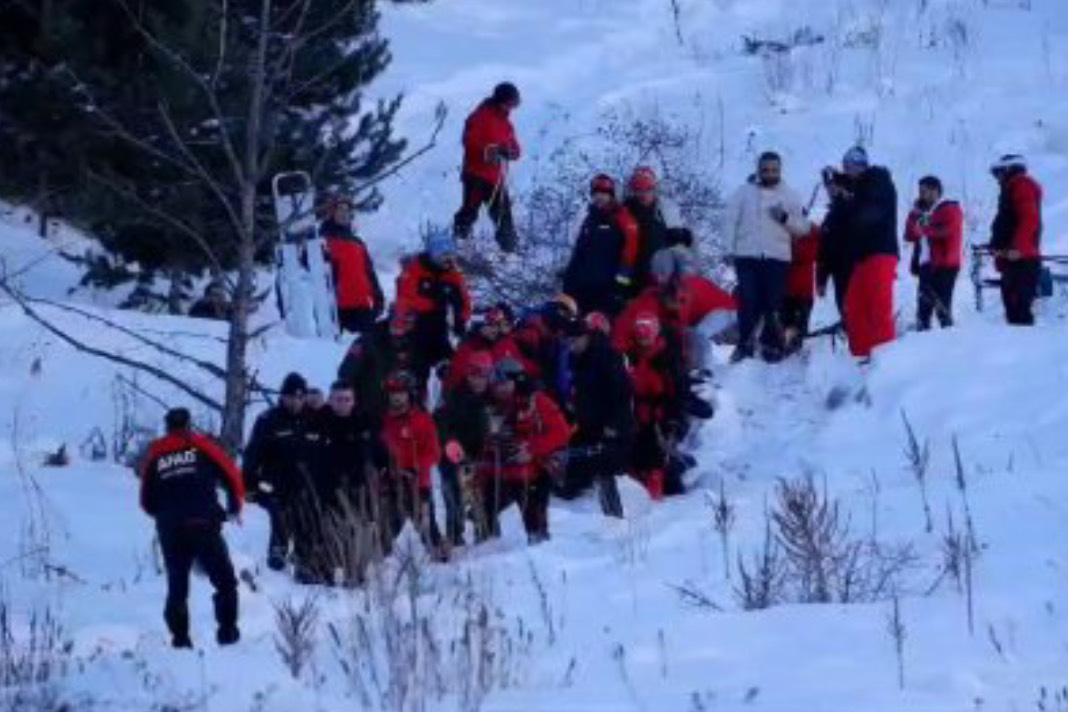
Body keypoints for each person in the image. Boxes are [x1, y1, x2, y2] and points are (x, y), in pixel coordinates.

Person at [140, 408, 243, 649]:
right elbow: (231, 474)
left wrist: (165, 516)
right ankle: (228, 634)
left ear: (166, 427)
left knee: (177, 586)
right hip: (203, 523)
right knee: (225, 581)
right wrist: (234, 507)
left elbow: (145, 499)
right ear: (189, 424)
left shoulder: (156, 453)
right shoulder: (200, 445)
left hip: (171, 528)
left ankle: (180, 639)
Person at [724, 151, 810, 362]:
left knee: (773, 303)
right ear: (758, 169)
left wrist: (784, 218)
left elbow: (803, 229)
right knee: (747, 301)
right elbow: (730, 221)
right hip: (747, 255)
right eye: (765, 169)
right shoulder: (743, 192)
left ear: (780, 170)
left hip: (777, 258)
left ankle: (771, 345)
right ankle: (745, 345)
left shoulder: (790, 195)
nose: (769, 173)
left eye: (774, 170)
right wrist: (729, 249)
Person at [478, 358, 570, 543]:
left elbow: (561, 432)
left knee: (534, 514)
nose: (500, 388)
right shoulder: (491, 404)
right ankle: (489, 547)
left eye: (504, 383)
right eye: (497, 384)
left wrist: (531, 448)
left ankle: (539, 546)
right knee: (484, 509)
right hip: (498, 469)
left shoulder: (538, 401)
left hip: (535, 469)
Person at [242, 373, 322, 573]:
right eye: (291, 397)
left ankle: (304, 558)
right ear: (283, 396)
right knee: (278, 504)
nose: (295, 402)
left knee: (307, 509)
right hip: (271, 482)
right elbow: (252, 455)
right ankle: (278, 547)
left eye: (300, 397)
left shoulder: (313, 419)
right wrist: (249, 485)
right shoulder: (268, 420)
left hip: (305, 483)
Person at [312, 380, 385, 584]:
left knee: (361, 531)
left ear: (353, 401)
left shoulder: (364, 421)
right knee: (332, 533)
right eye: (338, 399)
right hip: (328, 489)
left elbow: (380, 451)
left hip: (359, 489)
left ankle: (360, 573)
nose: (343, 404)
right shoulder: (319, 421)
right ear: (330, 400)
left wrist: (383, 469)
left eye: (347, 399)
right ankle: (330, 572)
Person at [560, 318, 634, 517]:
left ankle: (615, 517)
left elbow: (623, 393)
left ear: (586, 337)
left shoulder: (607, 356)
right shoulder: (576, 359)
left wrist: (614, 425)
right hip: (587, 426)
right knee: (571, 472)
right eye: (569, 341)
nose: (572, 345)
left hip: (613, 427)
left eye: (575, 340)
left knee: (605, 467)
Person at [833, 146, 900, 360]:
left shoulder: (877, 179)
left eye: (851, 166)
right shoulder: (861, 187)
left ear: (862, 165)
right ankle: (861, 357)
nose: (848, 170)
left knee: (878, 308)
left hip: (880, 252)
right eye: (845, 166)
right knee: (854, 307)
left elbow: (869, 213)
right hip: (863, 256)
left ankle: (885, 361)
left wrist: (846, 197)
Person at [380, 370, 444, 556]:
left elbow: (433, 452)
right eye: (393, 394)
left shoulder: (423, 420)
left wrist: (417, 470)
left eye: (401, 393)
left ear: (410, 394)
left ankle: (439, 556)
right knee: (389, 526)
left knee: (427, 525)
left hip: (417, 481)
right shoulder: (384, 421)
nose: (397, 398)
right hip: (391, 482)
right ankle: (382, 560)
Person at [453, 82, 522, 253]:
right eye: (512, 102)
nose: (513, 107)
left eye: (515, 103)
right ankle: (458, 247)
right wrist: (492, 150)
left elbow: (516, 149)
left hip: (495, 178)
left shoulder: (506, 123)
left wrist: (509, 152)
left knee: (504, 215)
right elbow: (469, 143)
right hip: (475, 174)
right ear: (502, 101)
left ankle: (510, 252)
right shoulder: (480, 116)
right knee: (469, 212)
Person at [435, 352, 494, 545]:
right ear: (468, 375)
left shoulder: (491, 397)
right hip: (453, 457)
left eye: (483, 376)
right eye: (474, 375)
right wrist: (450, 443)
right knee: (454, 500)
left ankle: (486, 535)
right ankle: (455, 537)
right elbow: (440, 424)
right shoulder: (454, 397)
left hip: (479, 457)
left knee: (483, 497)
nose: (478, 381)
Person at [562, 174, 639, 316]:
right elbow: (579, 253)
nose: (599, 197)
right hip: (584, 290)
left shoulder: (623, 218)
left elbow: (629, 256)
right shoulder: (589, 220)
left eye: (604, 193)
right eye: (596, 193)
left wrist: (619, 289)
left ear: (611, 195)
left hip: (608, 292)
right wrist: (568, 281)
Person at [395, 229, 472, 372]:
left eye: (450, 254)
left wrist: (460, 320)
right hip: (413, 331)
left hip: (439, 331)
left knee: (452, 370)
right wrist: (433, 302)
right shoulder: (414, 270)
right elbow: (404, 300)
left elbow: (464, 302)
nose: (447, 259)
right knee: (415, 374)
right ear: (433, 255)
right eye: (443, 255)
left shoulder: (453, 275)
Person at [627, 313, 684, 500]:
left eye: (646, 336)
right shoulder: (632, 357)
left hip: (659, 416)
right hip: (636, 414)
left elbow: (675, 391)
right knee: (634, 456)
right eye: (641, 337)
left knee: (656, 459)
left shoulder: (665, 359)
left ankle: (655, 496)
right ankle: (636, 496)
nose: (644, 341)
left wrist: (671, 419)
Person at [337, 308, 426, 425]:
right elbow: (346, 373)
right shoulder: (368, 341)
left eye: (406, 323)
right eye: (396, 322)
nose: (399, 327)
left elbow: (418, 375)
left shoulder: (413, 344)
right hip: (369, 411)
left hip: (400, 412)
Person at [988, 154, 1043, 325]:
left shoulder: (1021, 184)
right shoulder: (1011, 188)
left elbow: (1030, 219)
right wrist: (997, 247)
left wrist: (1018, 248)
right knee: (1013, 311)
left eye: (999, 173)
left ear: (1008, 169)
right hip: (1013, 259)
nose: (997, 178)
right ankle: (1022, 348)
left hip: (1022, 260)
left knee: (1019, 311)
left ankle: (1026, 348)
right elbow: (1007, 223)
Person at [903, 176, 963, 330]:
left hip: (944, 265)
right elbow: (909, 235)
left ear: (936, 191)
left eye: (926, 190)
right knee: (923, 309)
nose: (922, 194)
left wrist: (922, 229)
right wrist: (914, 214)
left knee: (942, 307)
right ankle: (922, 342)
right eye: (921, 191)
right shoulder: (923, 212)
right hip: (925, 265)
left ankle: (950, 341)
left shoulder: (949, 208)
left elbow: (946, 231)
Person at [320, 196, 385, 335]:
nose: (344, 213)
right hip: (336, 310)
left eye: (347, 210)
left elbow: (369, 272)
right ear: (332, 213)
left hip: (363, 307)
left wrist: (378, 297)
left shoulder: (358, 242)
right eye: (340, 210)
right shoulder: (323, 241)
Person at [442, 306, 522, 393]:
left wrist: (520, 382)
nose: (496, 330)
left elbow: (518, 372)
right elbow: (454, 379)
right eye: (491, 325)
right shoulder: (470, 346)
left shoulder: (506, 345)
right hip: (470, 397)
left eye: (498, 325)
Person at [623, 167, 679, 290]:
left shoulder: (664, 214)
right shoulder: (624, 214)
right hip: (630, 280)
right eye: (638, 190)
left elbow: (675, 249)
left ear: (654, 189)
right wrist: (620, 285)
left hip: (657, 282)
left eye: (647, 189)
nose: (643, 194)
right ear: (633, 191)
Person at [782, 223, 821, 350]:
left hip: (803, 292)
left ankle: (797, 352)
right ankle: (787, 348)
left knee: (800, 328)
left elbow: (808, 255)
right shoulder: (784, 232)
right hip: (787, 291)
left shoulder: (812, 233)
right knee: (786, 324)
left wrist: (793, 244)